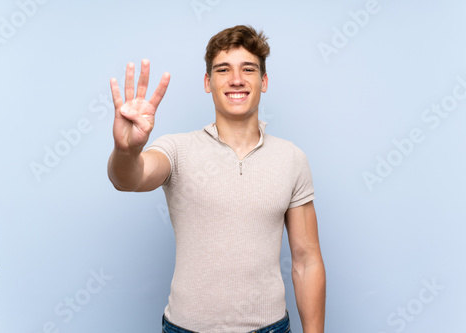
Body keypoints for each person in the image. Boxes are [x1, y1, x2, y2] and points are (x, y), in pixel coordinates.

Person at [107, 25, 325, 333]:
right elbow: (128, 178)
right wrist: (126, 149)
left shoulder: (291, 158)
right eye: (223, 69)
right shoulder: (177, 149)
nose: (236, 79)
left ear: (263, 81)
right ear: (208, 82)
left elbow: (306, 260)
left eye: (248, 69)